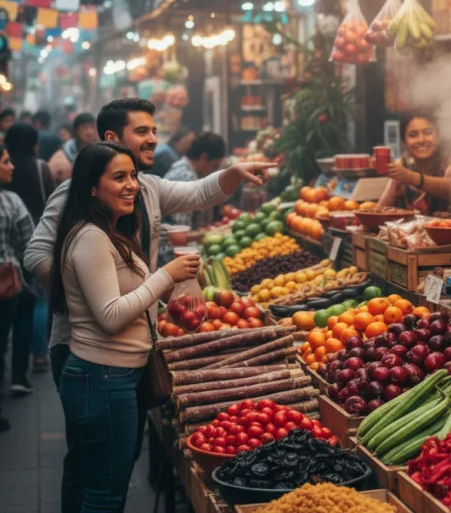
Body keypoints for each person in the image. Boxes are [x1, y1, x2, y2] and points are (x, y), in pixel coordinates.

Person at [24, 98, 269, 513]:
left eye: (154, 131)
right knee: (88, 464)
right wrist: (81, 291)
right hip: (83, 347)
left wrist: (231, 173)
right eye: (143, 131)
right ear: (111, 138)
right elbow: (36, 256)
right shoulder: (76, 196)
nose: (154, 138)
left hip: (130, 348)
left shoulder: (148, 187)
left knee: (113, 464)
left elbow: (199, 191)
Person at [50, 142, 200, 513]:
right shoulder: (91, 238)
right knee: (104, 495)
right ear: (90, 186)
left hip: (112, 378)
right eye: (119, 177)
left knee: (107, 489)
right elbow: (110, 315)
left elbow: (128, 298)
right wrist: (165, 276)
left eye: (133, 175)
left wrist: (169, 303)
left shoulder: (110, 231)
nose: (132, 184)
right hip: (103, 379)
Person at [2, 123, 55, 395]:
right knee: (32, 306)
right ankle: (27, 367)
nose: (9, 166)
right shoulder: (39, 169)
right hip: (26, 251)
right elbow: (51, 204)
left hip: (14, 260)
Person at [0, 144, 35, 431]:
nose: (11, 166)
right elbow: (29, 244)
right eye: (6, 161)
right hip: (6, 287)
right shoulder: (10, 202)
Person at [158, 132, 226, 265]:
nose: (213, 172)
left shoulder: (182, 169)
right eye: (215, 166)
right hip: (168, 257)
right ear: (204, 158)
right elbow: (181, 234)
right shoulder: (186, 177)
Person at [377, 112, 451, 215]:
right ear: (404, 142)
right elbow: (378, 213)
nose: (421, 140)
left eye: (427, 133)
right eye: (413, 135)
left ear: (438, 136)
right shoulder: (404, 168)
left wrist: (410, 177)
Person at [48, 112, 99, 185]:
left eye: (93, 128)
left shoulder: (104, 154)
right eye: (85, 128)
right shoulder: (62, 157)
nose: (89, 132)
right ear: (76, 131)